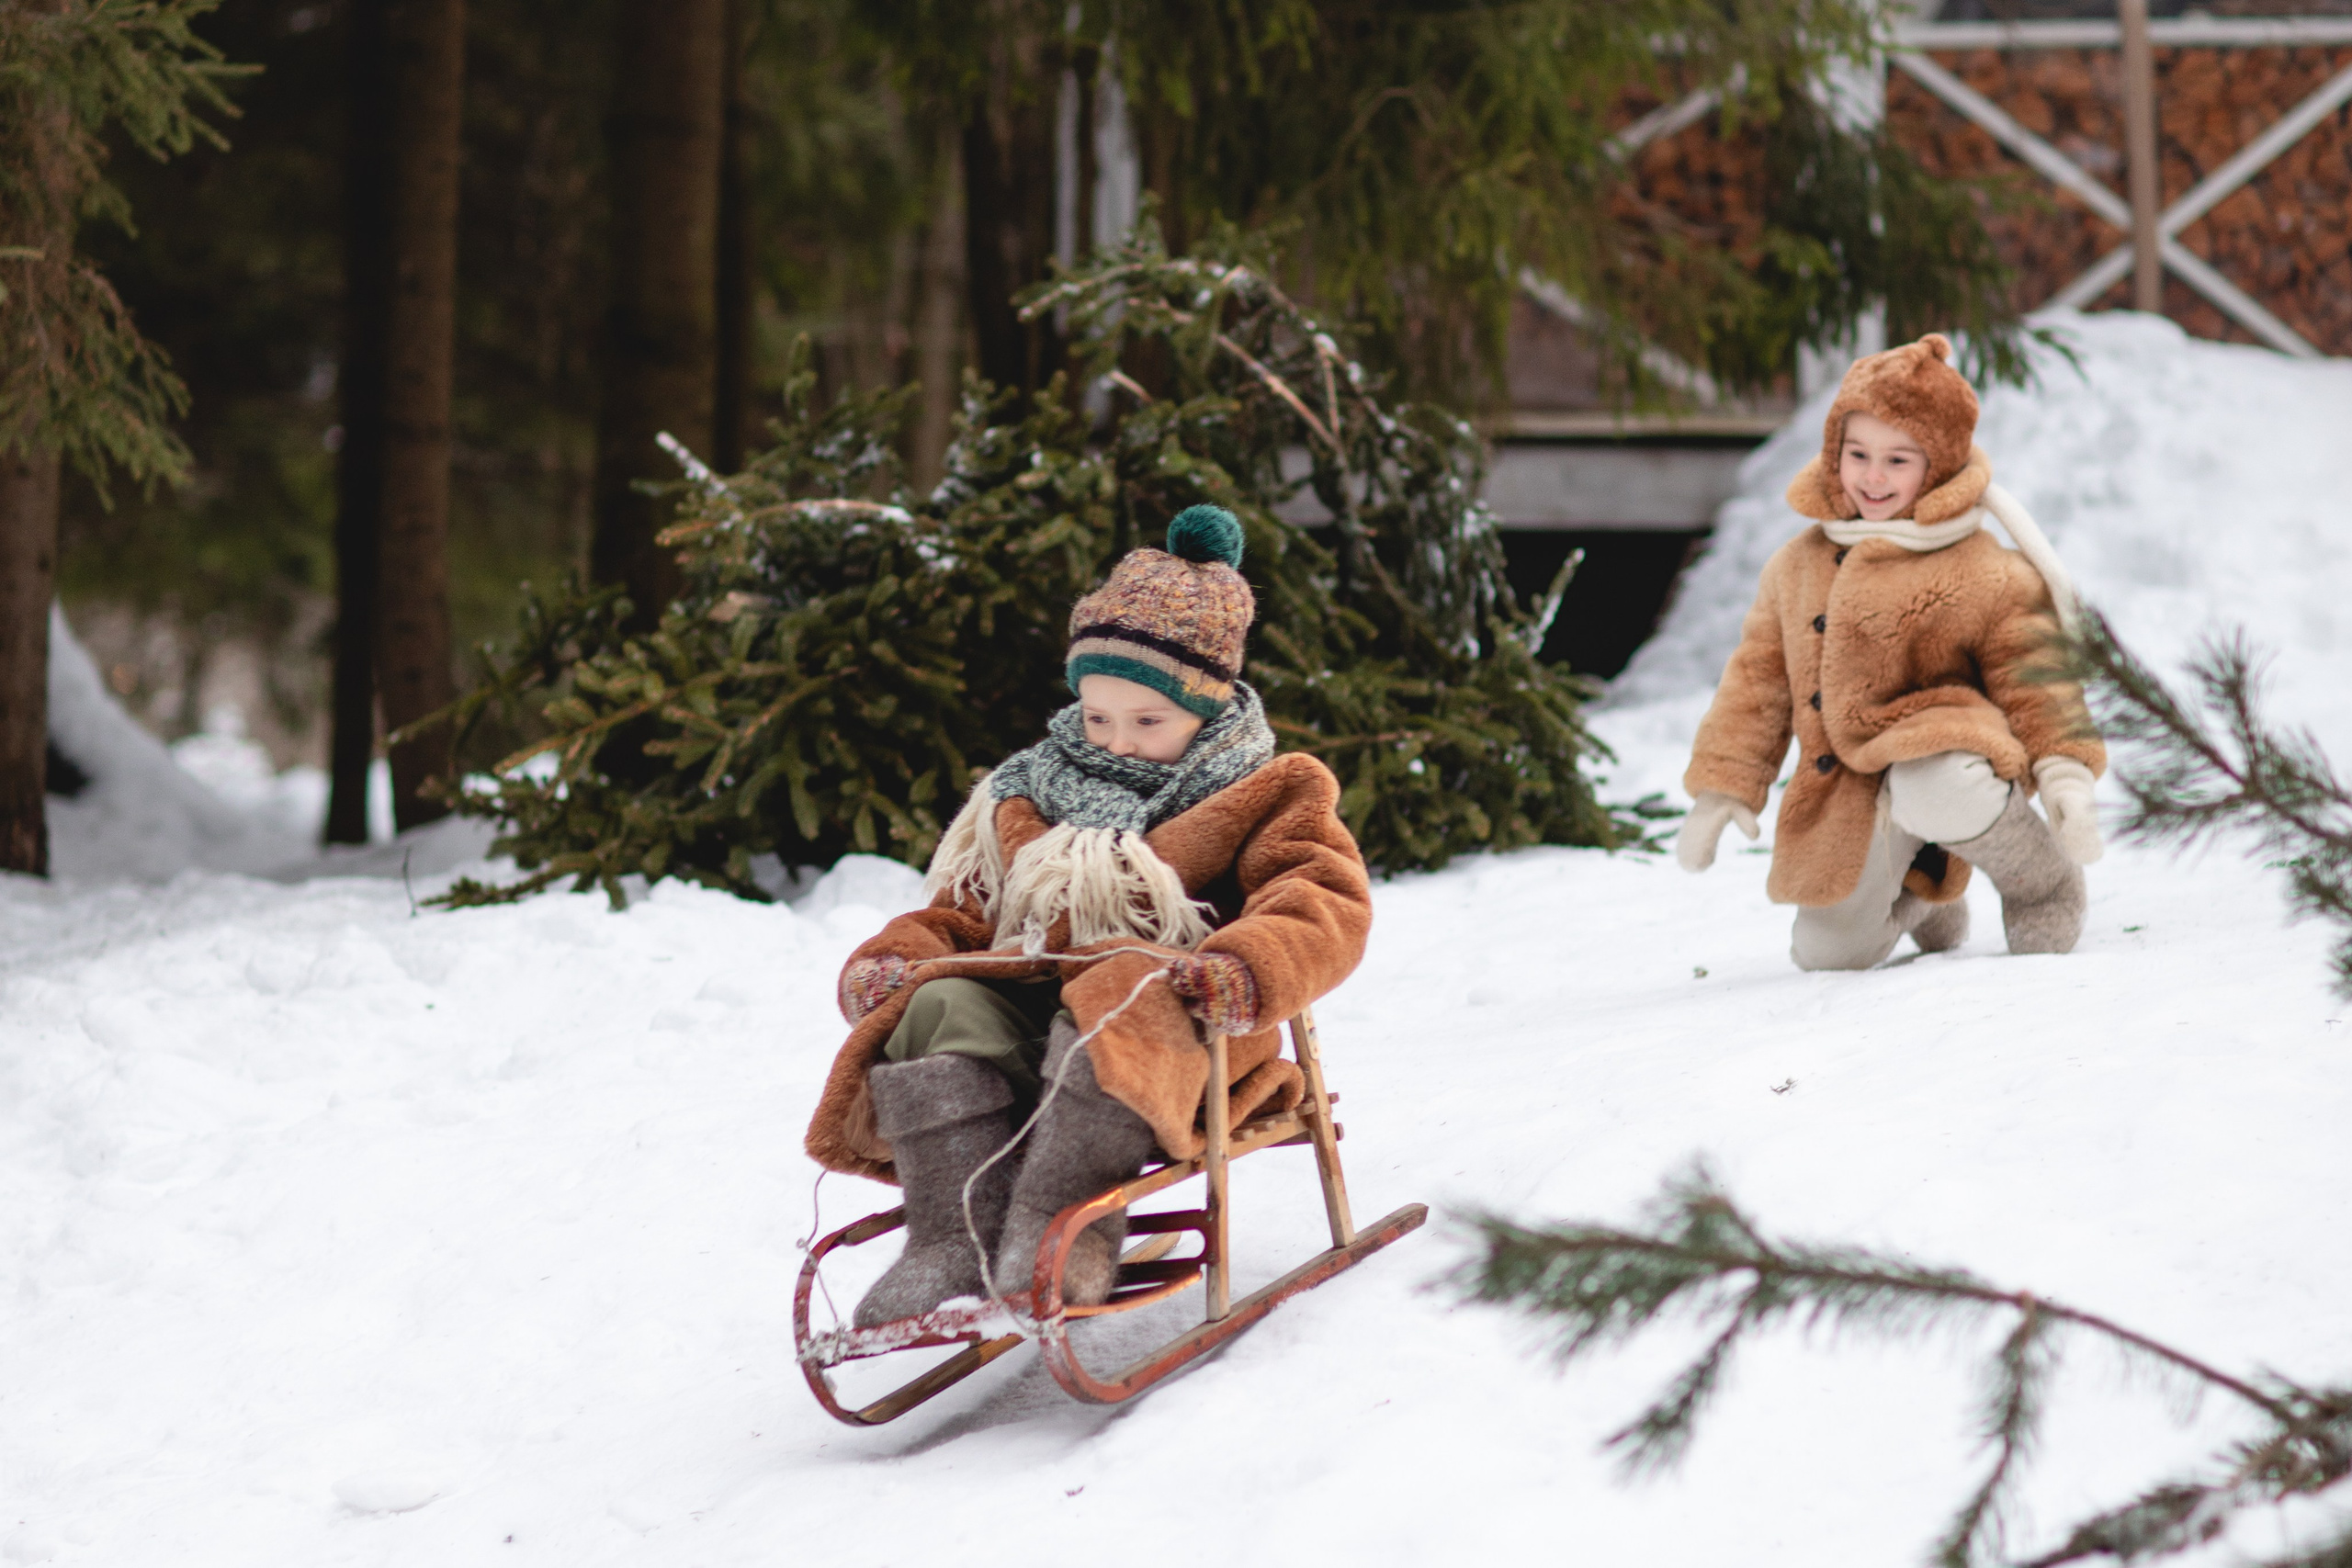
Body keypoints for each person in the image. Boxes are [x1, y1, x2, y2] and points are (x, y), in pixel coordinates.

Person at [803, 505, 1372, 1327]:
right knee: (934, 1004)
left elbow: (1320, 900)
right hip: (1037, 1014)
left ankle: (1066, 1231)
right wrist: (900, 954)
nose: (1120, 741)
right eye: (1099, 718)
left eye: (1149, 721)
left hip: (1187, 1029)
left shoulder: (1268, 790)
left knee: (1119, 989)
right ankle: (952, 1239)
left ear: (1208, 709)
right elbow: (964, 909)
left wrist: (1245, 967)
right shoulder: (1031, 789)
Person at [1676, 333, 2107, 970]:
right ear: (1834, 453)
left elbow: (2036, 679)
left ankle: (2040, 879)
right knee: (1826, 954)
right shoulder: (1797, 567)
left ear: (1937, 466)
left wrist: (2064, 772)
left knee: (1938, 785)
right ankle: (1923, 893)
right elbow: (1756, 683)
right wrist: (1724, 787)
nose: (1873, 477)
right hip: (1848, 783)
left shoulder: (1984, 568)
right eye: (1858, 454)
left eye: (1899, 460)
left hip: (1950, 756)